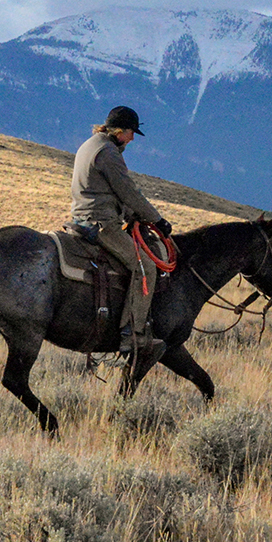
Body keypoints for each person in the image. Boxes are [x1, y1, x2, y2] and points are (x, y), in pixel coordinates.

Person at [68, 106, 173, 366]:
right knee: (145, 268)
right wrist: (156, 219)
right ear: (119, 131)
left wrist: (130, 215)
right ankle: (132, 335)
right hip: (102, 223)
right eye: (130, 132)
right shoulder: (109, 152)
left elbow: (107, 190)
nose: (132, 139)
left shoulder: (90, 144)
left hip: (83, 216)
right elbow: (127, 191)